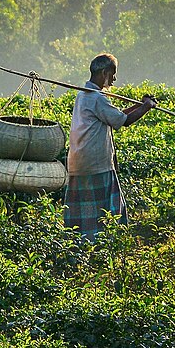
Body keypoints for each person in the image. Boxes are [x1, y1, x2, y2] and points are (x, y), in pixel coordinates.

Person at [64, 53, 155, 239]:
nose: (114, 79)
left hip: (79, 162)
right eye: (113, 74)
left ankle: (82, 247)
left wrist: (140, 104)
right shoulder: (96, 98)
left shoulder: (84, 95)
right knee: (109, 212)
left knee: (83, 216)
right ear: (104, 73)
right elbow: (124, 121)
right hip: (95, 165)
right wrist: (147, 107)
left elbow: (115, 115)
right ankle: (103, 247)